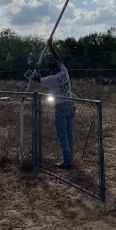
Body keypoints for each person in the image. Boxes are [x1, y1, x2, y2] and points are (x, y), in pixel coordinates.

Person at [34, 38, 75, 169]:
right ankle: (70, 158)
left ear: (51, 71)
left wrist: (38, 69)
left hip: (61, 108)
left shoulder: (52, 79)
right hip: (70, 106)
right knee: (69, 134)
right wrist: (51, 46)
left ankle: (67, 161)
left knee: (62, 135)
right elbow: (59, 59)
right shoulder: (65, 72)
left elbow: (38, 80)